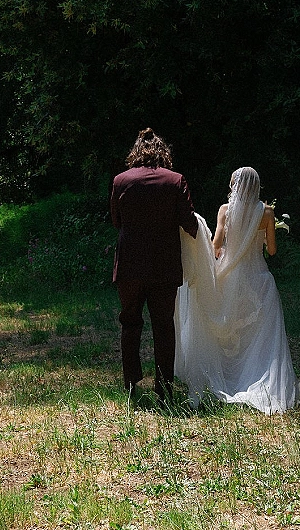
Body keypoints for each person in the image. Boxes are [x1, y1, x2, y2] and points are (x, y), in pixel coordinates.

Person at [175, 166, 300, 414]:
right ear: (256, 186)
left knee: (232, 328)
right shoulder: (267, 212)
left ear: (235, 185)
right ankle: (256, 378)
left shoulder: (225, 211)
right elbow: (272, 252)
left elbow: (216, 245)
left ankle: (228, 376)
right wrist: (263, 237)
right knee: (260, 336)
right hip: (260, 280)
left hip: (230, 279)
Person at [110, 128, 198, 402]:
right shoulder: (175, 181)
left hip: (130, 267)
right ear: (164, 152)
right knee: (163, 326)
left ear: (135, 152)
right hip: (164, 266)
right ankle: (164, 388)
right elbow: (190, 223)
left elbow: (116, 221)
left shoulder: (121, 181)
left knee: (130, 322)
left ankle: (130, 385)